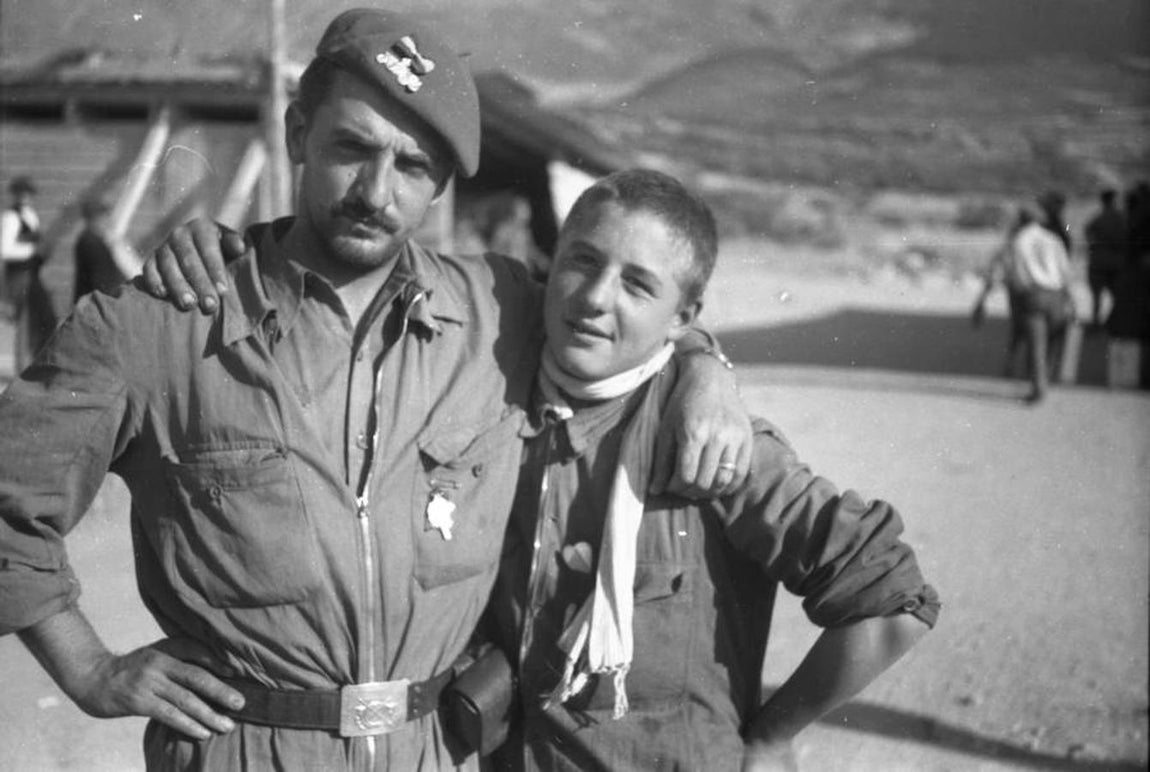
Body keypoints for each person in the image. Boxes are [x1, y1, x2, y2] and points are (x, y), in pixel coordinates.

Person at [0, 10, 748, 772]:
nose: (376, 191)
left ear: (442, 184)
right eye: (352, 148)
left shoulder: (497, 310)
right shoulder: (165, 321)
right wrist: (89, 670)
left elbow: (616, 320)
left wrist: (702, 364)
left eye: (413, 166)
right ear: (298, 136)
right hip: (244, 750)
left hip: (426, 750)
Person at [476, 169, 937, 770]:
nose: (594, 298)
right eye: (582, 262)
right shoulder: (490, 405)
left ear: (682, 317)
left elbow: (894, 602)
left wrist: (773, 736)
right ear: (549, 262)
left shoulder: (711, 444)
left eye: (637, 286)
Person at [972, 200, 1074, 403]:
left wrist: (982, 299)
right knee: (1052, 340)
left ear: (1020, 220)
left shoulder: (1016, 242)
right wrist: (1070, 301)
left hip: (1032, 297)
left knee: (1036, 343)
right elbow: (1065, 272)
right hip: (1056, 296)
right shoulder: (1053, 239)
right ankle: (1048, 377)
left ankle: (1039, 388)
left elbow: (1000, 271)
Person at [0, 175, 55, 368]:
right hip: (19, 277)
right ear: (15, 195)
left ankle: (36, 363)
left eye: (28, 194)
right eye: (21, 193)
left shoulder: (31, 216)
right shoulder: (11, 217)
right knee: (24, 322)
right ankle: (23, 367)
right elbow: (5, 250)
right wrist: (32, 251)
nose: (25, 197)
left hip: (33, 275)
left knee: (43, 319)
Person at [73, 195, 143, 302]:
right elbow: (102, 280)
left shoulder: (91, 239)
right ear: (95, 219)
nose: (107, 221)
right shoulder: (92, 242)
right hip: (97, 304)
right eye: (104, 217)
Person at [1083, 188, 1127, 329]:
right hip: (1114, 261)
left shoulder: (1099, 219)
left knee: (1097, 296)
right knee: (1118, 294)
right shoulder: (1120, 218)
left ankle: (1097, 321)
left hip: (1100, 261)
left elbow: (1088, 234)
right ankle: (1114, 321)